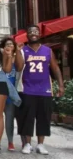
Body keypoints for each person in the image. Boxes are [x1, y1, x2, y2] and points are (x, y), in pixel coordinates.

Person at [15, 25, 64, 155]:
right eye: (30, 32)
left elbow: (55, 68)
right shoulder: (23, 50)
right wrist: (17, 51)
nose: (33, 33)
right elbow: (19, 68)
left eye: (36, 31)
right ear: (27, 35)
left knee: (43, 118)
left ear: (40, 34)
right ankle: (27, 144)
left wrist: (61, 85)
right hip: (28, 89)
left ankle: (41, 144)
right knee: (28, 118)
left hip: (45, 90)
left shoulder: (47, 50)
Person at [0, 37, 18, 151]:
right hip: (0, 93)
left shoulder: (17, 59)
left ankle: (10, 142)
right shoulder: (0, 59)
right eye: (7, 44)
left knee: (9, 119)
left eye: (11, 44)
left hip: (11, 94)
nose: (9, 46)